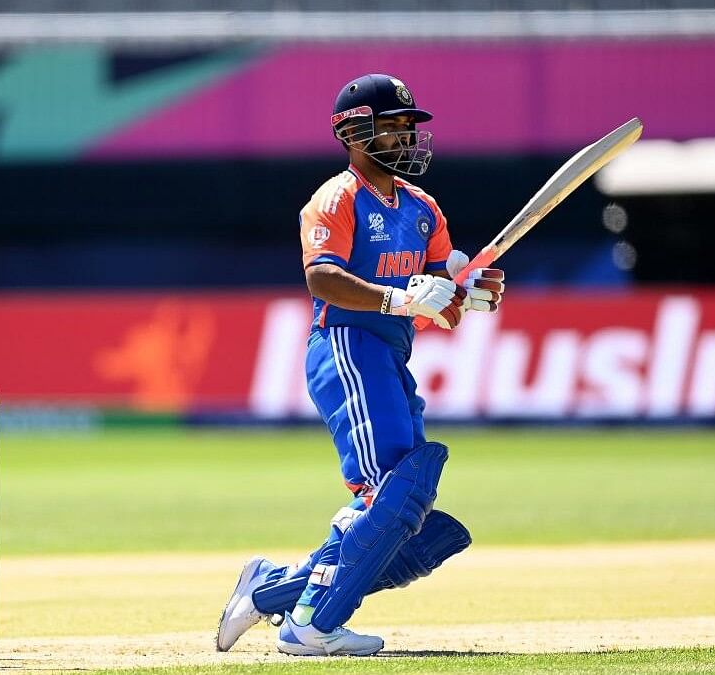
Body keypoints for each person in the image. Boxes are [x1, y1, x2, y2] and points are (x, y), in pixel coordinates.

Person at [215, 74, 505, 656]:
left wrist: (469, 295)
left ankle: (273, 591)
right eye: (394, 126)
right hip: (346, 347)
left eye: (409, 127)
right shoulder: (336, 198)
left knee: (406, 502)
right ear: (353, 132)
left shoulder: (423, 208)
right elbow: (321, 277)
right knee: (395, 490)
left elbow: (439, 299)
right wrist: (399, 297)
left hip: (392, 352)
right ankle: (312, 626)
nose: (406, 137)